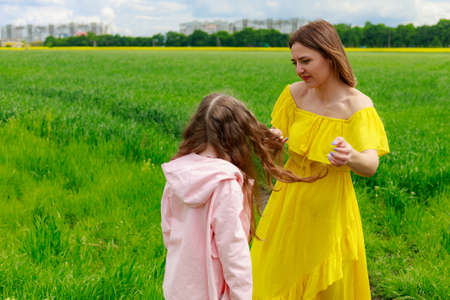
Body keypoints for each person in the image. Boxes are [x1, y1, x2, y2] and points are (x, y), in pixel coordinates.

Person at [251, 20, 390, 299]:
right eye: (294, 62)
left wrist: (350, 156)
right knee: (277, 275)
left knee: (325, 283)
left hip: (330, 210)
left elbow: (370, 166)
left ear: (329, 56)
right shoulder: (293, 95)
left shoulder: (357, 106)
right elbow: (276, 152)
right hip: (288, 202)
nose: (299, 70)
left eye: (306, 61)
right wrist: (274, 141)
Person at [160, 93, 318, 300]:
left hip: (179, 284)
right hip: (211, 288)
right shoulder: (225, 183)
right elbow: (234, 253)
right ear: (238, 135)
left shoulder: (177, 173)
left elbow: (168, 231)